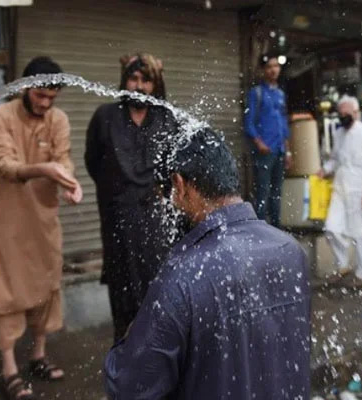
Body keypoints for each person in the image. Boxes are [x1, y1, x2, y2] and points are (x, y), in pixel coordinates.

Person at [104, 128, 311, 399]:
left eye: (170, 194)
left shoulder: (183, 275)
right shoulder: (291, 251)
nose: (171, 205)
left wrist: (131, 338)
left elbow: (127, 387)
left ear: (179, 184)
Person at [0, 56, 82, 399]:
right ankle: (9, 368)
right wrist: (47, 169)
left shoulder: (58, 119)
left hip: (43, 218)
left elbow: (65, 156)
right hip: (6, 220)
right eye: (40, 95)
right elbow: (7, 166)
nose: (45, 103)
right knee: (6, 292)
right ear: (25, 88)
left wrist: (70, 181)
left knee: (47, 284)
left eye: (51, 98)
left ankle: (38, 354)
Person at [85, 53, 177, 342]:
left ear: (156, 85)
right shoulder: (105, 117)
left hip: (154, 219)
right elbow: (93, 163)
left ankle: (156, 354)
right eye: (133, 79)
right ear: (124, 81)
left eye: (146, 80)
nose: (138, 86)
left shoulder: (166, 118)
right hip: (118, 220)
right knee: (123, 292)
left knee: (156, 288)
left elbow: (173, 168)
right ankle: (125, 358)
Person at [318, 95, 362, 286]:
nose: (343, 117)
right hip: (340, 188)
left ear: (356, 113)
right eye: (341, 113)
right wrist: (325, 169)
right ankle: (343, 265)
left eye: (347, 113)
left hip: (361, 190)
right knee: (331, 227)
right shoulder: (338, 134)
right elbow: (336, 160)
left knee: (361, 233)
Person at [244, 54, 292, 227]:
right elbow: (248, 123)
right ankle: (261, 230)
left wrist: (288, 151)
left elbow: (284, 124)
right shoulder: (256, 93)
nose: (273, 70)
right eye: (270, 67)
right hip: (265, 151)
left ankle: (276, 229)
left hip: (279, 149)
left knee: (277, 193)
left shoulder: (280, 94)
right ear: (263, 70)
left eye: (276, 66)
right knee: (262, 192)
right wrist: (259, 143)